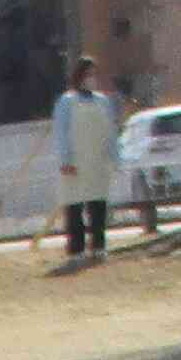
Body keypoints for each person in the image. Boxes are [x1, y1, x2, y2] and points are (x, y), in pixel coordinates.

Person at [53, 57, 118, 263]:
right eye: (88, 74)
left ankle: (98, 247)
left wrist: (115, 157)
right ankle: (76, 250)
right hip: (75, 163)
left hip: (98, 162)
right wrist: (65, 160)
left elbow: (110, 131)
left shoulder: (103, 101)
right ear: (79, 76)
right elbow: (61, 132)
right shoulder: (66, 101)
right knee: (74, 208)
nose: (91, 79)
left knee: (98, 206)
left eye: (94, 75)